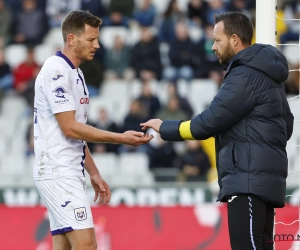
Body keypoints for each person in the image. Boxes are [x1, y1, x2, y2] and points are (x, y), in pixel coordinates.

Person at [141, 11, 294, 250]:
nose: (212, 46)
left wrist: (165, 127)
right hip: (264, 182)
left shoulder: (244, 74)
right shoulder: (268, 75)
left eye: (217, 40)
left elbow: (208, 123)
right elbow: (287, 125)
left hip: (248, 183)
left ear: (234, 39)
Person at [33, 10, 153, 250]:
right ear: (71, 39)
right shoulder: (56, 71)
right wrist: (120, 139)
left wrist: (94, 173)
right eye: (91, 39)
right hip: (58, 171)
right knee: (87, 245)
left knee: (64, 246)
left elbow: (76, 134)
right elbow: (70, 128)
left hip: (66, 170)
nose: (97, 45)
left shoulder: (76, 73)